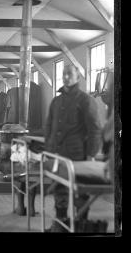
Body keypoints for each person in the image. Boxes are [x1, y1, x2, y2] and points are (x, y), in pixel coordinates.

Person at [45, 64, 102, 232]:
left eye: (69, 74)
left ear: (78, 77)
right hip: (58, 154)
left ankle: (80, 226)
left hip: (78, 155)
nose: (66, 77)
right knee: (59, 190)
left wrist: (91, 154)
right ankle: (61, 225)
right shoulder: (56, 101)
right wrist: (49, 149)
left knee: (79, 192)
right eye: (64, 74)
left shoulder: (85, 100)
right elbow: (49, 127)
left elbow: (95, 129)